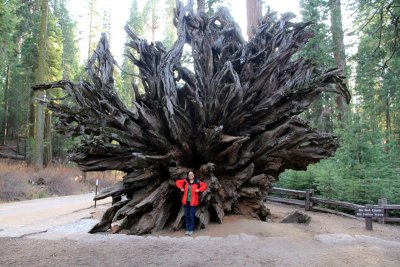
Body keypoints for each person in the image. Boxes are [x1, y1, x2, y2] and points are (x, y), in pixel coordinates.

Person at [175, 171, 207, 236]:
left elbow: (204, 185)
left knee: (192, 216)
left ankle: (191, 229)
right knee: (187, 215)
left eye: (192, 174)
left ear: (193, 175)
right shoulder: (185, 181)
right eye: (189, 175)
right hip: (186, 202)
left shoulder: (197, 182)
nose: (191, 175)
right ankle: (187, 229)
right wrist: (181, 188)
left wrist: (199, 190)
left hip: (193, 202)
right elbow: (177, 182)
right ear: (188, 176)